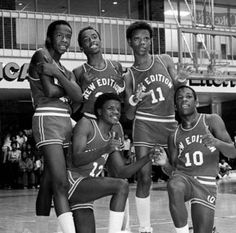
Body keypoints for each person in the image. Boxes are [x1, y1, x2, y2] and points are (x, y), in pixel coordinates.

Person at [124, 21, 187, 233]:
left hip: (169, 123)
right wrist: (134, 99)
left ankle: (184, 227)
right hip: (144, 124)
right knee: (143, 176)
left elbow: (177, 85)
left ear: (151, 41)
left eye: (146, 38)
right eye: (137, 39)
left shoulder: (165, 59)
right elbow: (129, 114)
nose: (142, 42)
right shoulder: (129, 74)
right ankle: (144, 228)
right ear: (130, 43)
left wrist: (180, 80)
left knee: (180, 174)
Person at [67, 93, 159, 233]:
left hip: (85, 195)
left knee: (121, 182)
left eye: (118, 109)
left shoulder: (112, 137)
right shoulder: (86, 124)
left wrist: (147, 158)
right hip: (72, 182)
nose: (116, 112)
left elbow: (120, 172)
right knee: (121, 186)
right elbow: (77, 159)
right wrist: (105, 148)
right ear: (99, 111)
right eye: (110, 108)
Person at [156, 85, 236, 233]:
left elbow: (233, 153)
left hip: (206, 184)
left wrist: (216, 142)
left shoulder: (211, 120)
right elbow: (173, 172)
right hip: (184, 179)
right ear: (175, 106)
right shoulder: (173, 136)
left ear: (196, 102)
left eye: (188, 96)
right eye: (179, 98)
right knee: (174, 184)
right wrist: (165, 163)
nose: (184, 99)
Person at [28, 20, 82, 233]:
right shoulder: (41, 55)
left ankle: (41, 229)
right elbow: (50, 92)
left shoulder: (65, 70)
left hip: (65, 122)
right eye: (60, 35)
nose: (65, 40)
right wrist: (70, 88)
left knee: (50, 180)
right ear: (50, 38)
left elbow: (79, 97)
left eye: (68, 37)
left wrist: (60, 76)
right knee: (61, 183)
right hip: (47, 119)